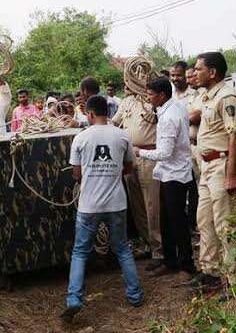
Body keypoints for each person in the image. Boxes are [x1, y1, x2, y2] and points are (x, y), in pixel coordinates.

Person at [64, 95, 144, 320]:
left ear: (89, 114)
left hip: (89, 205)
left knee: (80, 252)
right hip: (117, 203)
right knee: (122, 249)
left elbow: (77, 174)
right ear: (107, 112)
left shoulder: (81, 138)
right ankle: (135, 295)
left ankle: (74, 299)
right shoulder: (122, 135)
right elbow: (129, 166)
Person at [187, 52, 236, 290]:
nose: (194, 73)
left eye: (198, 69)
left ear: (212, 72)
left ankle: (234, 280)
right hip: (206, 167)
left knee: (224, 224)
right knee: (204, 221)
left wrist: (231, 175)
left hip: (221, 166)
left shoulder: (228, 97)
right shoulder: (207, 97)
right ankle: (210, 272)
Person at [134, 77, 195, 277]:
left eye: (151, 94)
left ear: (161, 95)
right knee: (167, 220)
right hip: (170, 172)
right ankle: (171, 261)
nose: (148, 98)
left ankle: (186, 265)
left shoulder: (169, 117)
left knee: (176, 221)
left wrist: (139, 151)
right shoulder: (173, 108)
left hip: (174, 175)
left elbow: (165, 153)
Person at [112, 81, 162, 266]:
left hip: (149, 157)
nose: (126, 84)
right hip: (130, 158)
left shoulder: (152, 102)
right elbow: (114, 123)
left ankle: (159, 250)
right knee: (137, 205)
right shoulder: (125, 103)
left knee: (152, 205)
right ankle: (149, 244)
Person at [170, 61, 200, 231]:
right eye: (172, 75)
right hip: (175, 150)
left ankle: (194, 224)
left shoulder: (195, 95)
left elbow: (195, 117)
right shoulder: (169, 96)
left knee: (195, 187)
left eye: (178, 75)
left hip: (193, 147)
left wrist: (176, 121)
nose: (175, 78)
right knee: (179, 188)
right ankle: (182, 226)